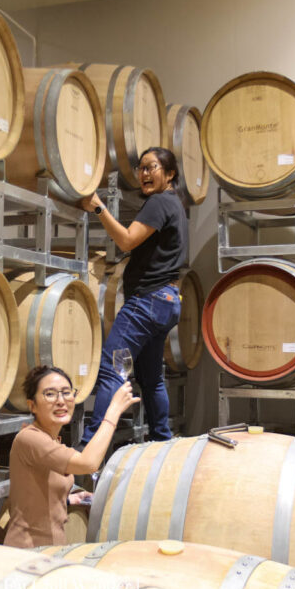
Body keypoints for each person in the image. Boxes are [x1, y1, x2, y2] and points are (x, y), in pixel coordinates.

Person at [79, 146, 188, 444]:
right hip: (165, 303)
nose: (144, 173)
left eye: (152, 167)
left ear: (170, 174)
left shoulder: (159, 202)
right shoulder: (174, 204)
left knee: (112, 370)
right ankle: (161, 441)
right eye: (141, 168)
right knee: (151, 379)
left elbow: (127, 241)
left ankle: (91, 447)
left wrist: (98, 207)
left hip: (146, 304)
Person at [3, 365, 138, 548]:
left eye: (66, 392)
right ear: (32, 405)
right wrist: (113, 412)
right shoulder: (30, 438)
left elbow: (33, 490)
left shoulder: (52, 441)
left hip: (50, 549)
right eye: (50, 394)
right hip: (28, 551)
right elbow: (88, 463)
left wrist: (67, 500)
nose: (61, 401)